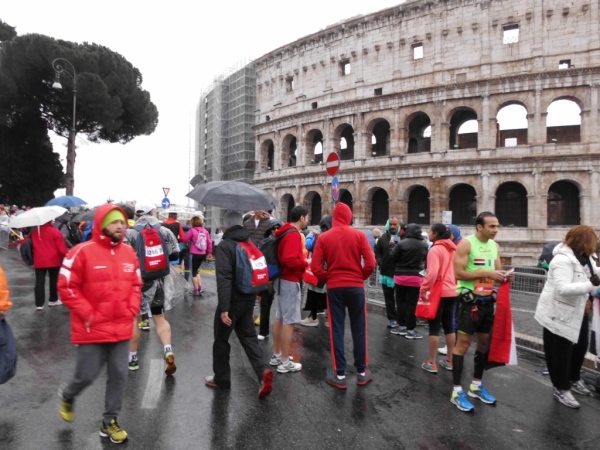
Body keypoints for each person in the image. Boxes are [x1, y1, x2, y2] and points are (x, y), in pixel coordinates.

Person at [57, 205, 142, 444]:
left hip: (121, 328)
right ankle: (68, 395)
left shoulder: (129, 253)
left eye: (122, 222)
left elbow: (136, 285)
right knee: (86, 375)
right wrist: (88, 314)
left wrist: (131, 309)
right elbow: (66, 286)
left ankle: (109, 421)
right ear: (103, 224)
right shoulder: (81, 252)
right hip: (91, 328)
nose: (120, 226)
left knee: (119, 375)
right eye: (114, 222)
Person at [205, 211, 273, 398]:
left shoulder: (225, 246)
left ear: (226, 224)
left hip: (232, 301)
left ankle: (222, 379)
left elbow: (224, 278)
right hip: (249, 298)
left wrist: (224, 308)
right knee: (249, 338)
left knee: (221, 340)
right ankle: (263, 371)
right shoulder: (249, 242)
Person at [451, 211, 512, 412]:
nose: (496, 230)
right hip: (469, 302)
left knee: (484, 344)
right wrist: (486, 272)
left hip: (487, 302)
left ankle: (476, 385)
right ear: (479, 227)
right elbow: (458, 273)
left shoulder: (494, 246)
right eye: (492, 226)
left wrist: (505, 277)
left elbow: (498, 272)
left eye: (497, 226)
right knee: (463, 345)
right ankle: (456, 391)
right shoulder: (466, 244)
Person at [311, 203, 376, 389]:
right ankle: (362, 372)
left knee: (336, 329)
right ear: (349, 216)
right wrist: (360, 276)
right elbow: (371, 263)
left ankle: (339, 374)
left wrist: (328, 277)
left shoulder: (324, 237)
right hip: (355, 287)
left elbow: (315, 267)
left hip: (335, 287)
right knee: (359, 328)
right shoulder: (359, 235)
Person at [534, 225, 599, 408]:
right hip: (558, 313)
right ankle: (561, 388)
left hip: (577, 310)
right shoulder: (562, 260)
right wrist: (591, 288)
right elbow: (563, 288)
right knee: (559, 353)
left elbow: (594, 272)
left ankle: (574, 378)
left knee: (580, 347)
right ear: (583, 242)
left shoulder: (586, 258)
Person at [127, 203, 180, 375]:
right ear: (152, 212)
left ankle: (133, 358)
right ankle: (168, 350)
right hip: (159, 280)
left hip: (137, 281)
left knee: (135, 320)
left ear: (137, 215)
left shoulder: (130, 233)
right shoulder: (163, 230)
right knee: (159, 318)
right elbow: (175, 253)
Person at [270, 205, 309, 374]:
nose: (307, 220)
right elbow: (290, 260)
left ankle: (278, 354)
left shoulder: (284, 231)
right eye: (307, 217)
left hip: (281, 279)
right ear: (302, 217)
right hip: (289, 279)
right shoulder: (293, 234)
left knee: (280, 317)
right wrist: (305, 263)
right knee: (289, 321)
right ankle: (285, 361)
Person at [419, 224, 457, 374]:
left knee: (434, 327)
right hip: (452, 291)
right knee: (449, 326)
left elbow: (432, 273)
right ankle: (450, 360)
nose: (428, 233)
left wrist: (423, 289)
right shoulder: (453, 249)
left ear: (435, 234)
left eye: (430, 231)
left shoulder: (435, 249)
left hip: (439, 292)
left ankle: (431, 362)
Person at [388, 224, 428, 339]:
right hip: (416, 278)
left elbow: (392, 257)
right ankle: (411, 330)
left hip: (400, 276)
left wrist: (391, 246)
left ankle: (401, 326)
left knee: (400, 302)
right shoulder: (424, 245)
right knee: (412, 304)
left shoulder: (401, 243)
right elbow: (425, 259)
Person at [31, 219, 68, 310]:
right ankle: (53, 300)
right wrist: (65, 255)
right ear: (49, 221)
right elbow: (61, 248)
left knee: (39, 281)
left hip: (39, 260)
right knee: (54, 280)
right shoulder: (55, 231)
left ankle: (39, 304)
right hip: (53, 260)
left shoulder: (34, 232)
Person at [301, 216, 332, 327]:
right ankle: (330, 319)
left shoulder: (321, 236)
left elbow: (313, 249)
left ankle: (313, 317)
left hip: (320, 269)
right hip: (330, 270)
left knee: (314, 293)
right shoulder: (334, 235)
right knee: (329, 295)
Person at [439, 224, 462, 356]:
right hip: (456, 286)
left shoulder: (457, 247)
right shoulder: (457, 244)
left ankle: (452, 346)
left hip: (455, 286)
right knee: (453, 316)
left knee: (452, 317)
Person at [257, 218, 283, 340]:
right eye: (273, 228)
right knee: (265, 303)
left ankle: (282, 332)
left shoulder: (284, 241)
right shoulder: (264, 242)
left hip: (282, 275)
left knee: (282, 305)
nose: (276, 230)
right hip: (268, 276)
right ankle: (264, 331)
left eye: (278, 228)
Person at [374, 217, 402, 329]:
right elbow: (377, 252)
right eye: (391, 224)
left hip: (400, 273)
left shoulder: (403, 237)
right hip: (386, 272)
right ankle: (392, 318)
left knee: (401, 299)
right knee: (388, 298)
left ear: (399, 224)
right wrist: (380, 262)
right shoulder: (383, 238)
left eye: (395, 224)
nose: (392, 226)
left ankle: (401, 319)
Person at [183, 215, 213, 295]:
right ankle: (200, 287)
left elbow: (185, 240)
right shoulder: (205, 231)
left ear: (193, 222)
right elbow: (209, 242)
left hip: (194, 254)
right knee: (197, 270)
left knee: (193, 272)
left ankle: (196, 290)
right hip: (203, 253)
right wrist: (209, 253)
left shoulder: (192, 230)